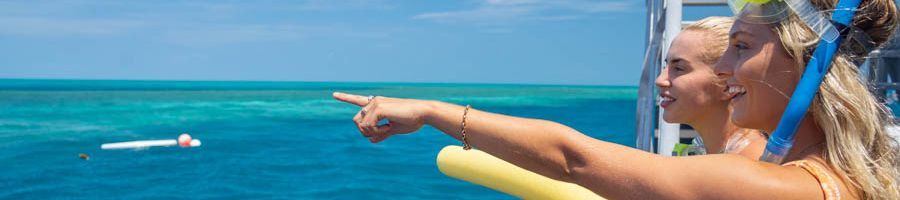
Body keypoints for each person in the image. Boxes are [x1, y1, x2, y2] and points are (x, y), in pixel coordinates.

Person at [332, 0, 899, 198]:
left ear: (802, 62)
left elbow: (573, 157)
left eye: (741, 48)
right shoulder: (820, 175)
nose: (727, 69)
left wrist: (432, 112)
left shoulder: (769, 184)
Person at [655, 16, 767, 157]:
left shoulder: (752, 161)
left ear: (727, 83)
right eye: (666, 66)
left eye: (678, 68)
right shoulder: (722, 154)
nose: (660, 80)